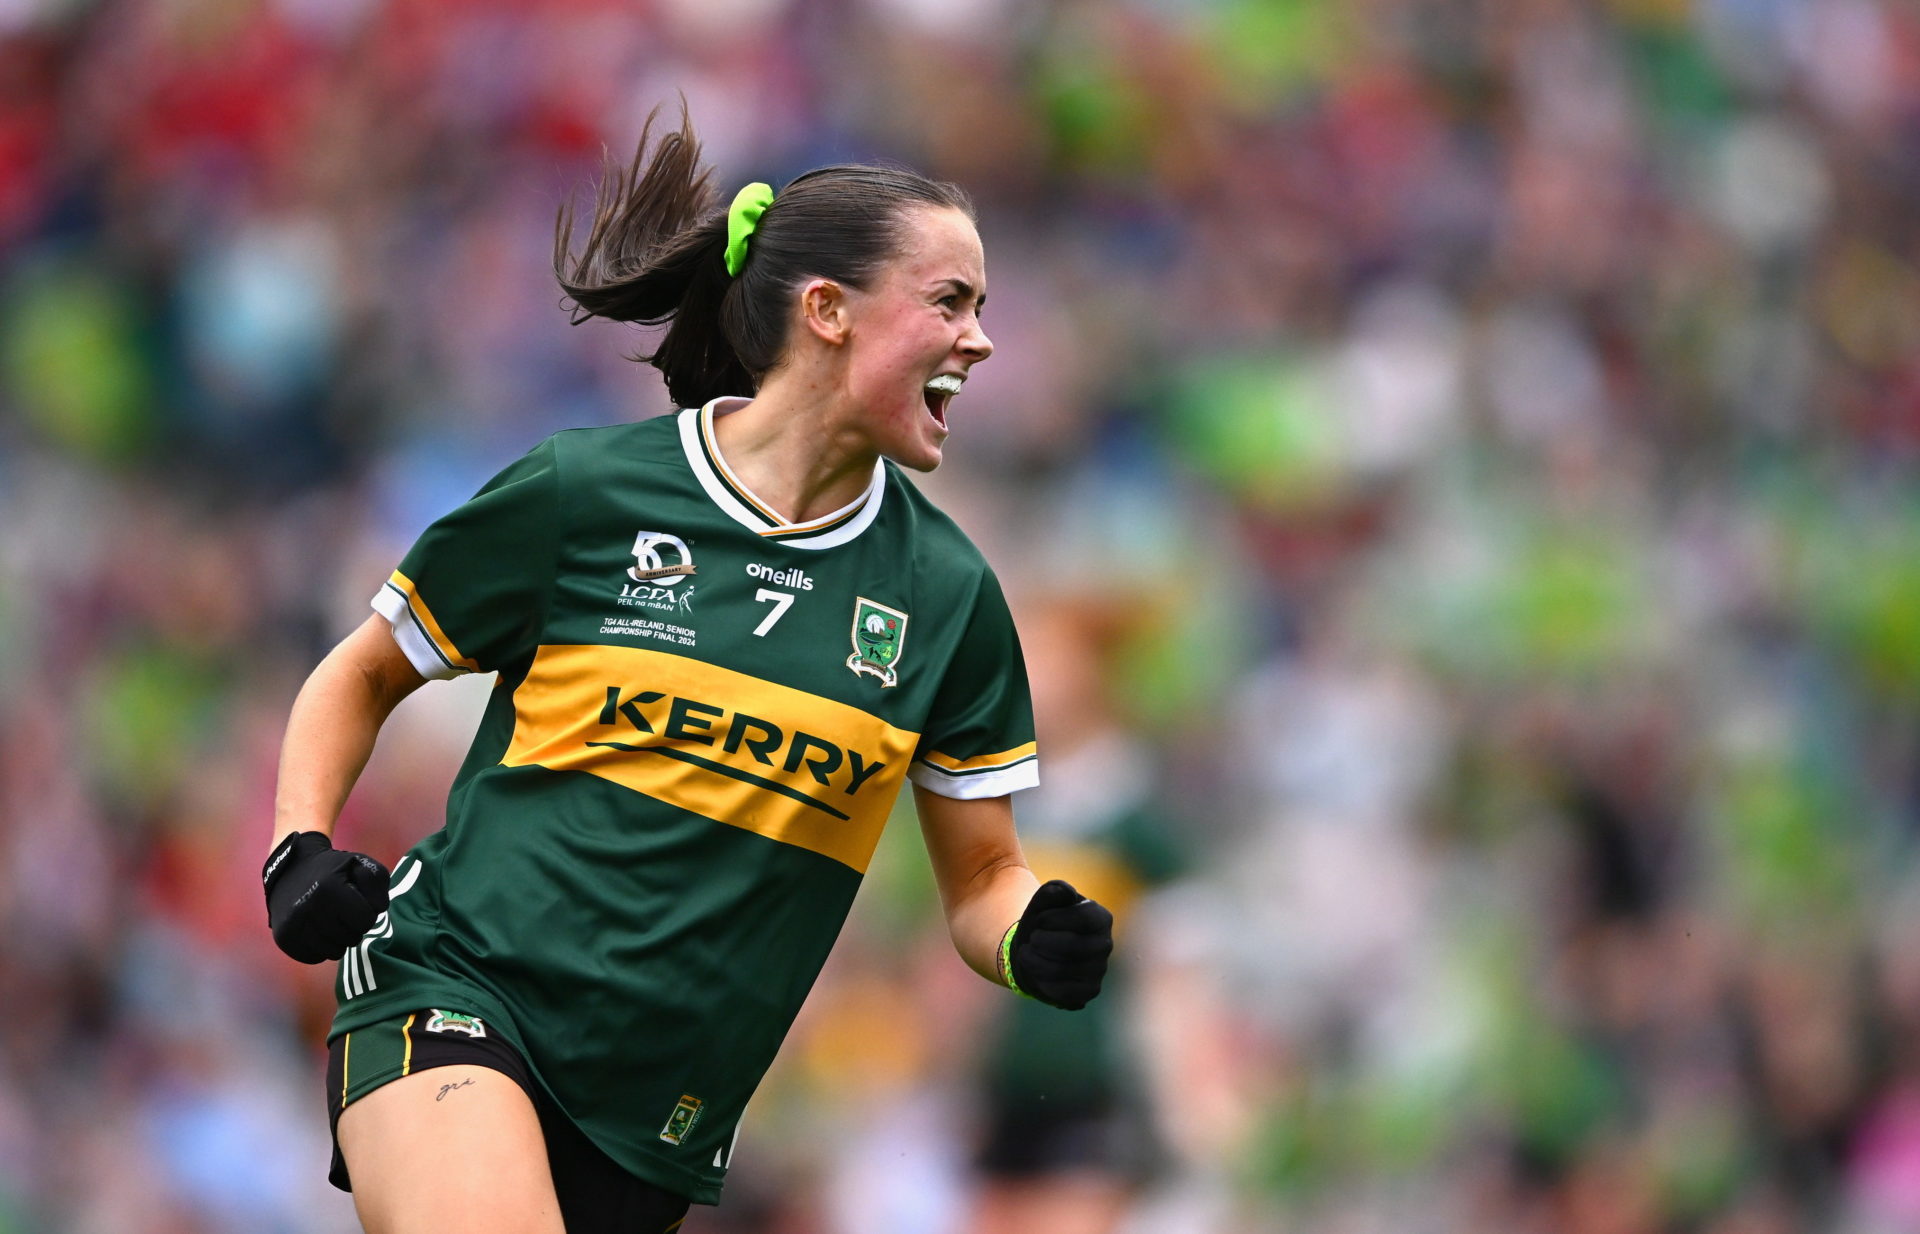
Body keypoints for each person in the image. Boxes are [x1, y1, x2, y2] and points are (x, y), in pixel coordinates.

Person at [261, 107, 1115, 1234]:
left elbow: (980, 880)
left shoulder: (948, 597)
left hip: (657, 1120)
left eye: (983, 309)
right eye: (949, 302)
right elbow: (366, 672)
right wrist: (299, 844)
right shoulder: (587, 493)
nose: (981, 340)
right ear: (828, 312)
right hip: (458, 988)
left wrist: (1027, 930)